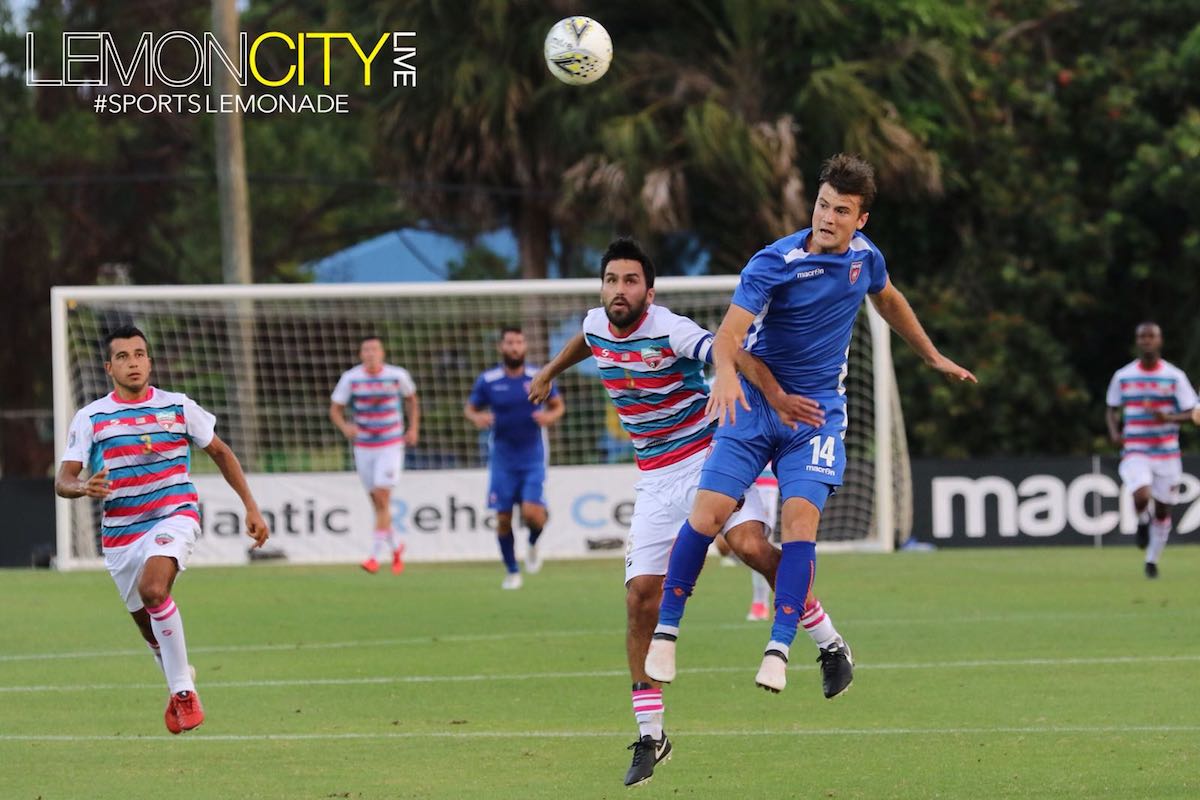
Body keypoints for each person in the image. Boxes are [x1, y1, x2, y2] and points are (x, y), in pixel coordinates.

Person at [645, 153, 977, 695]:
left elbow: (889, 298)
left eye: (840, 210)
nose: (826, 217)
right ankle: (666, 633)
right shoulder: (773, 261)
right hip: (752, 406)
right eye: (822, 205)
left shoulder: (865, 258)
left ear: (860, 219)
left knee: (800, 524)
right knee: (708, 515)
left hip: (816, 416)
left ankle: (778, 649)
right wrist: (725, 376)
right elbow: (728, 335)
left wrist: (932, 356)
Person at [529, 237, 847, 787]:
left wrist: (756, 388)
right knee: (638, 599)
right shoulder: (597, 323)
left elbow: (732, 349)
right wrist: (549, 371)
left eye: (630, 282)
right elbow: (585, 339)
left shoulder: (670, 327)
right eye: (611, 281)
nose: (619, 290)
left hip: (705, 457)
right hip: (653, 479)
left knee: (749, 546)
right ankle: (651, 735)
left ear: (647, 292)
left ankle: (826, 638)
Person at [55, 325, 269, 734]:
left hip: (174, 515)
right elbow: (63, 479)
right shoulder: (92, 417)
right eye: (123, 356)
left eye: (139, 354)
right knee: (146, 625)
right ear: (109, 367)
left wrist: (251, 506)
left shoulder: (178, 407)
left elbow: (221, 453)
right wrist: (83, 487)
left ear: (149, 361)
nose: (133, 362)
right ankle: (176, 670)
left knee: (155, 590)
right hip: (120, 534)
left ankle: (184, 692)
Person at [465, 325, 565, 589]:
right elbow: (471, 408)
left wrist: (549, 417)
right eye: (509, 343)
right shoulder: (489, 380)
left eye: (519, 342)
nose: (514, 347)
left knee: (533, 514)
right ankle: (512, 571)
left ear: (525, 347)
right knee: (503, 518)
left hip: (532, 457)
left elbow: (557, 406)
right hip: (502, 459)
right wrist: (478, 417)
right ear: (502, 347)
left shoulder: (538, 376)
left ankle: (532, 544)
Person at [1105, 322, 1196, 578]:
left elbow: (1193, 412)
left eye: (1151, 336)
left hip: (1167, 453)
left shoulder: (1174, 376)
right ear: (1137, 341)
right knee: (1142, 496)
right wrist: (1114, 433)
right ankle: (1143, 521)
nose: (1146, 341)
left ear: (1159, 341)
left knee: (1164, 509)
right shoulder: (1123, 376)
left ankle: (1151, 560)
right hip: (1136, 449)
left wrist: (1169, 419)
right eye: (1142, 337)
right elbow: (1111, 408)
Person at [330, 335, 420, 575]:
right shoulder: (351, 378)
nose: (370, 353)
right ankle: (397, 546)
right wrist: (345, 427)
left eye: (374, 349)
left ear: (382, 353)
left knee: (382, 495)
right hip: (364, 446)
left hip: (390, 444)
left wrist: (413, 428)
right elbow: (335, 409)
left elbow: (412, 400)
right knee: (378, 503)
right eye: (366, 349)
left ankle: (373, 556)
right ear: (361, 354)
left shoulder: (397, 375)